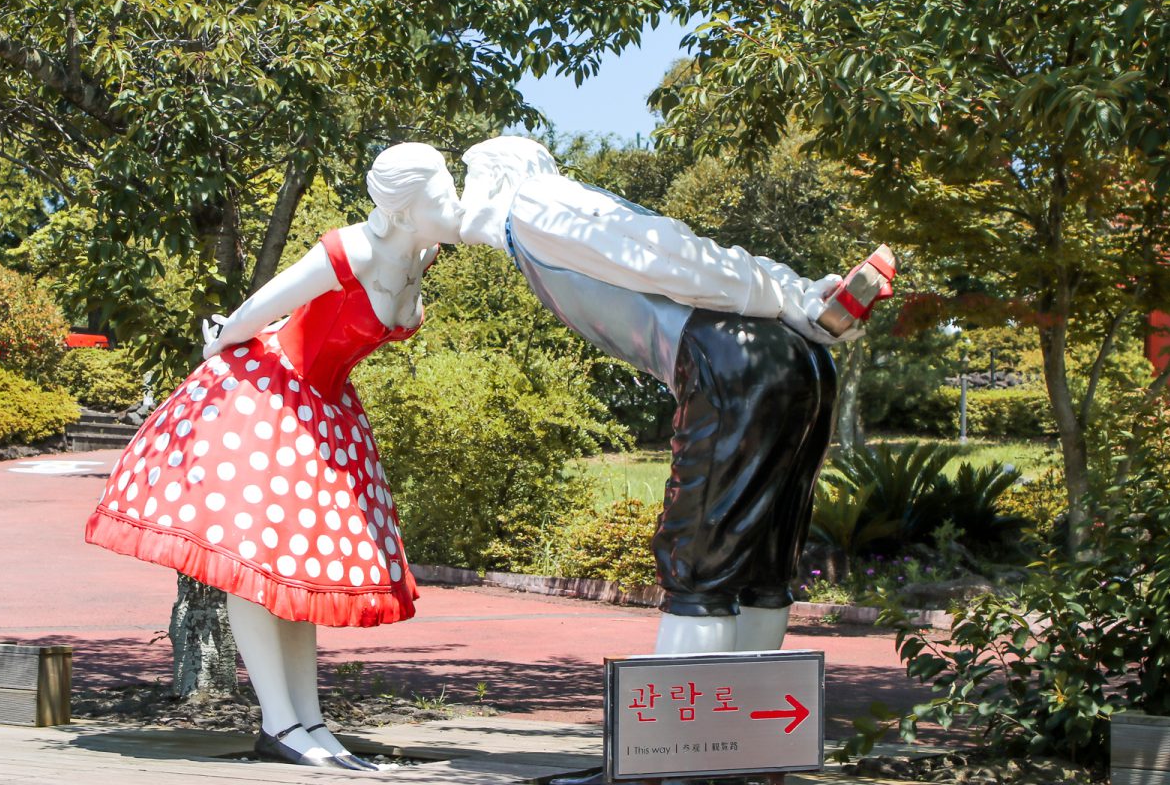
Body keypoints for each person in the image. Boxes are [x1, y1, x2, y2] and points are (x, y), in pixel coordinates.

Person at [85, 142, 463, 771]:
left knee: (297, 568)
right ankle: (282, 722)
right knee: (258, 566)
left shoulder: (420, 253)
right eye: (441, 192)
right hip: (272, 396)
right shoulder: (355, 250)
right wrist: (218, 360)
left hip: (328, 410)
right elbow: (263, 308)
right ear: (402, 210)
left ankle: (306, 719)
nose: (452, 202)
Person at [458, 136, 880, 658]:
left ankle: (685, 735)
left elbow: (665, 251)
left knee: (701, 567)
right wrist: (792, 294)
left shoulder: (537, 203)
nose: (463, 193)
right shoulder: (526, 232)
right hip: (791, 364)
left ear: (498, 175)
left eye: (470, 176)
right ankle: (752, 721)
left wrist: (781, 294)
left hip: (730, 361)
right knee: (764, 560)